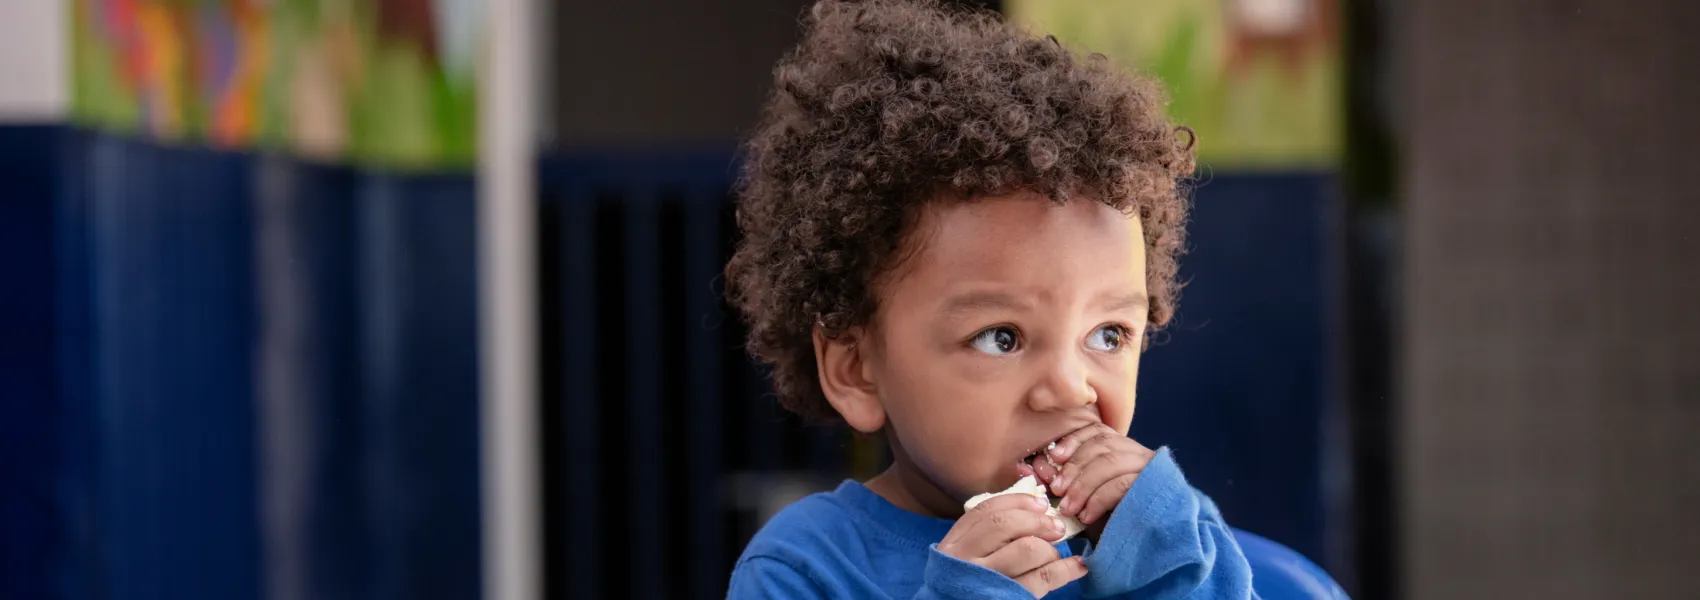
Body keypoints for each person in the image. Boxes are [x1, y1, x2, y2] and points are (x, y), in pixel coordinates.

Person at [723, 0, 1254, 597]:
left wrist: (1163, 563)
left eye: (1108, 334)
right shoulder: (805, 568)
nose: (1070, 387)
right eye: (1001, 337)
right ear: (857, 372)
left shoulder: (1177, 533)